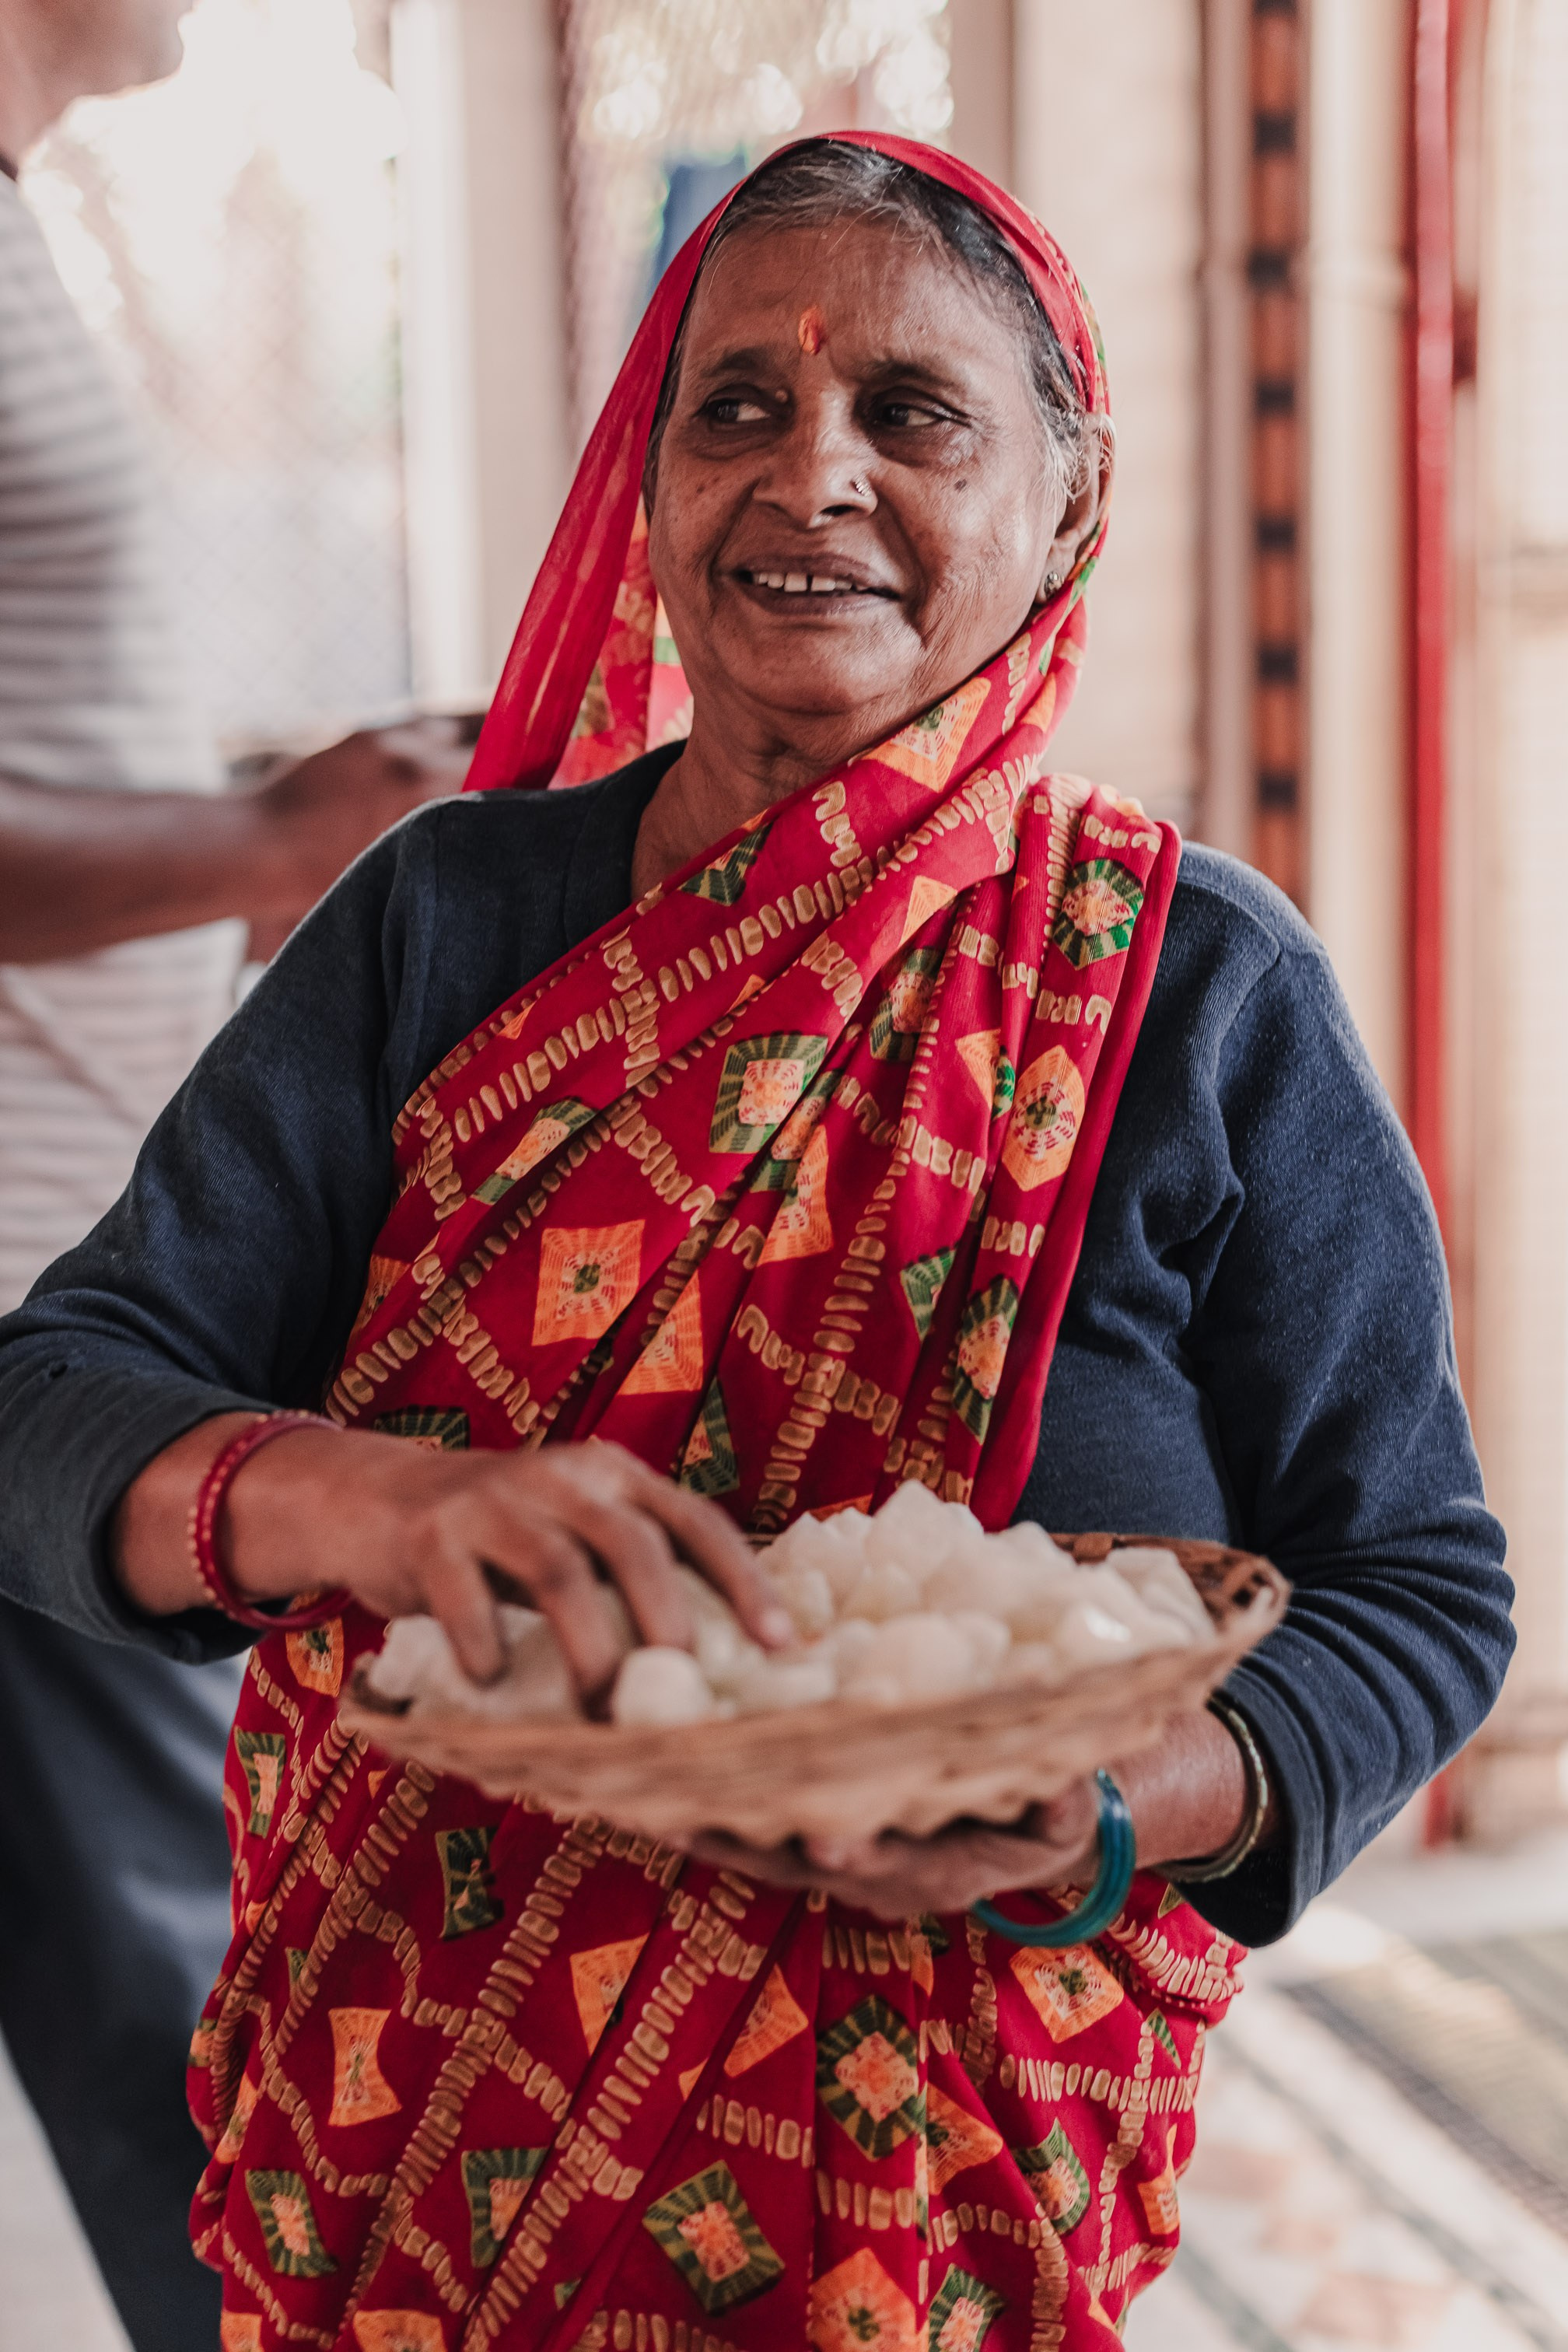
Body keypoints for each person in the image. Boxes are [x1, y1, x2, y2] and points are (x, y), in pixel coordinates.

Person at [0, 135, 1510, 2349]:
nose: (809, 472)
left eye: (910, 412)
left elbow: (1415, 1593)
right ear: (651, 488)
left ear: (1067, 510)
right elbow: (50, 1406)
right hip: (400, 2175)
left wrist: (1096, 1810)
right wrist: (378, 1500)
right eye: (735, 408)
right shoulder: (443, 923)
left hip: (943, 2216)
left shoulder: (1186, 988)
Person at [0, 4, 464, 2346]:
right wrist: (280, 841)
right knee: (231, 2082)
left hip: (69, 1251)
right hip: (10, 1303)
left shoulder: (29, 212)